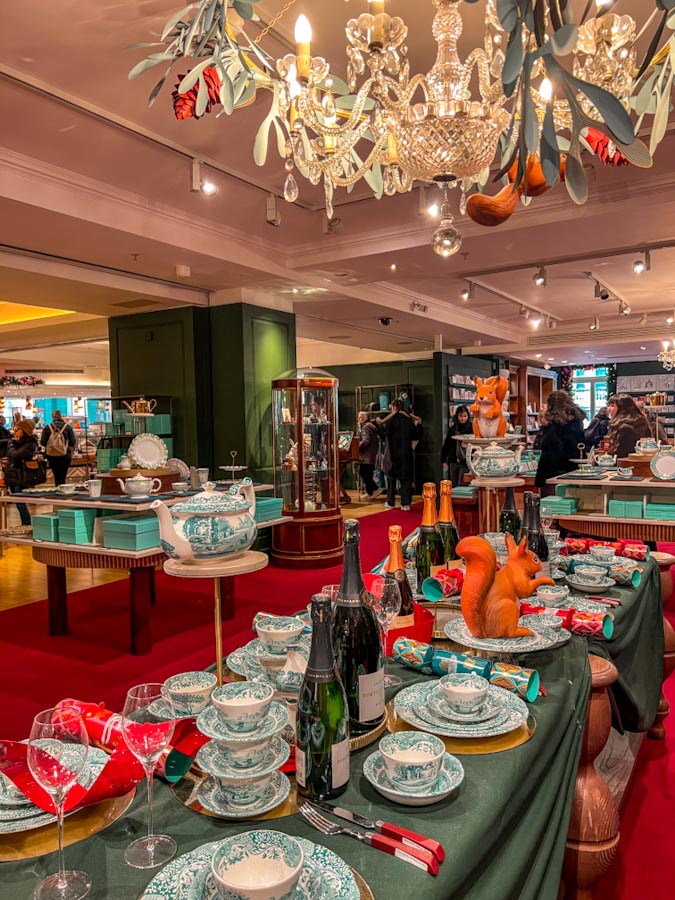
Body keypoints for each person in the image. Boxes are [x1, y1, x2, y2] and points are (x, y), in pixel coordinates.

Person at [534, 390, 586, 490]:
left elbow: (549, 454)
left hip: (556, 473)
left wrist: (539, 480)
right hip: (575, 469)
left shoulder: (555, 427)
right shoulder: (577, 422)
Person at [377, 400, 422, 511]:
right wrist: (419, 425)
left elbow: (385, 435)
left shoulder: (391, 420)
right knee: (406, 480)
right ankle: (405, 503)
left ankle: (390, 501)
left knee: (391, 479)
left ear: (394, 407)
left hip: (392, 454)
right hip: (406, 454)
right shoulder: (408, 420)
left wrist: (378, 427)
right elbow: (416, 435)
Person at [4, 419, 39, 526]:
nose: (14, 432)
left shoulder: (29, 444)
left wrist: (11, 444)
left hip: (21, 476)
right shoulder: (18, 443)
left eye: (17, 429)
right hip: (13, 476)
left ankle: (26, 523)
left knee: (20, 501)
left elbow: (14, 455)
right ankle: (25, 523)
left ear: (24, 431)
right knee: (18, 501)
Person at [606, 394, 652, 458]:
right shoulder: (641, 421)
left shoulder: (625, 428)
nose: (608, 409)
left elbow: (622, 456)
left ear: (622, 408)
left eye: (612, 406)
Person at [41, 410, 76, 487]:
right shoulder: (67, 427)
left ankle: (57, 487)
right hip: (65, 455)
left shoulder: (47, 427)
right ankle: (62, 488)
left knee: (56, 474)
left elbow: (43, 442)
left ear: (52, 417)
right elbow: (73, 441)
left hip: (51, 455)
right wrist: (67, 448)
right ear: (60, 416)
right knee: (63, 475)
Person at [441, 405, 473, 487]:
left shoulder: (472, 428)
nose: (463, 418)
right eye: (461, 416)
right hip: (454, 460)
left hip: (467, 461)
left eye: (465, 416)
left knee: (463, 483)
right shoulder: (453, 429)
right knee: (454, 484)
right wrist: (443, 460)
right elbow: (447, 444)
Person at [356, 411, 382, 500]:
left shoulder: (365, 427)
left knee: (364, 472)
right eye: (358, 417)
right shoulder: (369, 426)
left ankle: (373, 490)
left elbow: (366, 441)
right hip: (370, 455)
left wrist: (356, 446)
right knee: (366, 473)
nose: (359, 419)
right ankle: (370, 491)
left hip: (366, 456)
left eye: (361, 417)